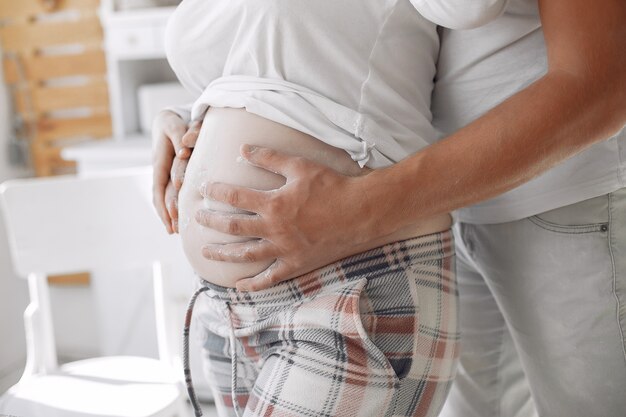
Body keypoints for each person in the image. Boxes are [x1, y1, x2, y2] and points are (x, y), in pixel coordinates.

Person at [154, 0, 626, 416]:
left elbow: (600, 84)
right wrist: (195, 117)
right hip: (442, 194)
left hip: (552, 197)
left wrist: (362, 209)